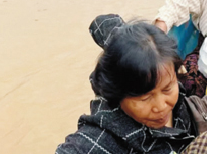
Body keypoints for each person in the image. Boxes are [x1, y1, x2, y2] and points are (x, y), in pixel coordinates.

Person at [56, 20, 197, 154]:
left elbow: (106, 23)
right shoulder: (107, 138)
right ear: (118, 94)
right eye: (145, 98)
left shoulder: (167, 82)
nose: (161, 107)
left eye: (167, 89)